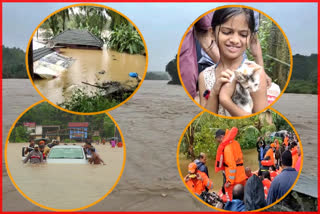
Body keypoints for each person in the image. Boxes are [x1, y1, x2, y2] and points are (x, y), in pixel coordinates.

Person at [198, 7, 268, 116]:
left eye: (243, 34)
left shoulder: (255, 72)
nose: (235, 40)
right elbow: (204, 121)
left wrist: (225, 100)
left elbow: (262, 121)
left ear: (250, 38)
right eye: (227, 32)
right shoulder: (204, 76)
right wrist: (214, 93)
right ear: (212, 33)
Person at [215, 129, 247, 201]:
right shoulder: (236, 143)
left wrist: (229, 181)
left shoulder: (227, 148)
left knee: (231, 198)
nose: (218, 141)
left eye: (217, 139)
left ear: (221, 137)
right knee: (242, 195)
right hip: (242, 176)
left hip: (235, 180)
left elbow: (232, 166)